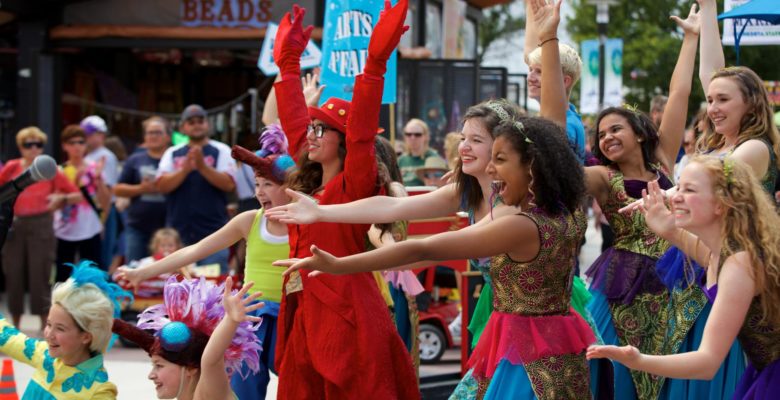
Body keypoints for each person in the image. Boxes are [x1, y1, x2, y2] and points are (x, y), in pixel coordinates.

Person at [278, 116, 595, 399]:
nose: (472, 154)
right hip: (549, 342)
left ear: (532, 165)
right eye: (463, 138)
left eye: (493, 154)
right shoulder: (564, 213)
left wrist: (338, 264)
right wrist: (321, 212)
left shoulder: (518, 222)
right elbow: (397, 212)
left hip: (525, 347)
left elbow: (425, 249)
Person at [534, 1, 698, 398]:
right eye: (601, 135)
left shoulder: (664, 163)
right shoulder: (602, 178)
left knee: (674, 376)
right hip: (625, 288)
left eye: (615, 129)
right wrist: (548, 39)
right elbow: (553, 131)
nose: (606, 138)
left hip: (678, 281)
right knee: (619, 378)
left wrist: (691, 38)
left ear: (640, 133)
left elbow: (679, 93)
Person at [270, 3, 419, 398]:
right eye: (313, 127)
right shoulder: (311, 186)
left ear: (342, 139)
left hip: (346, 311)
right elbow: (295, 126)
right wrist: (287, 67)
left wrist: (374, 66)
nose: (313, 135)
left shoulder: (354, 185)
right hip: (304, 307)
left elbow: (361, 136)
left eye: (324, 129)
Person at [117, 127, 294, 400]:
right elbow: (196, 250)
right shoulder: (249, 220)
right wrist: (142, 272)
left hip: (292, 315)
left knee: (300, 386)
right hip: (249, 319)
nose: (260, 192)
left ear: (290, 184)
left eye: (268, 184)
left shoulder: (305, 221)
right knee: (244, 391)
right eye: (257, 184)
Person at [588, 156, 780, 400]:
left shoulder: (739, 264)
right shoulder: (722, 252)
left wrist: (638, 360)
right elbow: (687, 241)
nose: (675, 195)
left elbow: (707, 363)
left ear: (722, 203)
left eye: (688, 190)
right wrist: (666, 221)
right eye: (678, 186)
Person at [113, 276, 262, 400]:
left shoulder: (209, 394)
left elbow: (210, 360)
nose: (151, 375)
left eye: (159, 365)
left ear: (191, 368)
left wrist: (230, 320)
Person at [0, 261, 131, 399]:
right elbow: (7, 337)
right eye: (49, 324)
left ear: (86, 336)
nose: (49, 335)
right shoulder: (44, 355)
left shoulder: (99, 392)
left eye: (60, 329)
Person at [0, 127, 82, 331]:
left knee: (41, 274)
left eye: (38, 144)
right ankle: (15, 326)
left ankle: (45, 326)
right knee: (14, 273)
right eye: (29, 144)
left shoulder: (48, 168)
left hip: (41, 224)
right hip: (15, 223)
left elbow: (76, 195)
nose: (34, 149)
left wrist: (61, 198)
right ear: (20, 147)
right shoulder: (12, 167)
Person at [156, 104, 236, 273]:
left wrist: (202, 167)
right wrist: (185, 170)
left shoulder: (221, 150)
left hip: (214, 234)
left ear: (208, 124)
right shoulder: (173, 152)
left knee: (214, 289)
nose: (196, 124)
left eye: (200, 120)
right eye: (191, 122)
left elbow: (229, 184)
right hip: (178, 236)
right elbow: (162, 186)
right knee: (178, 290)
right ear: (183, 127)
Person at [523, 0, 586, 163]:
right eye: (531, 70)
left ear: (564, 81)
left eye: (539, 72)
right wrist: (532, 11)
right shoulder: (570, 114)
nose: (530, 77)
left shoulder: (568, 125)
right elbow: (530, 55)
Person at [55, 125, 112, 282]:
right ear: (65, 145)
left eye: (81, 142)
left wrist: (98, 179)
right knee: (63, 274)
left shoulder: (94, 168)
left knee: (93, 274)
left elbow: (106, 200)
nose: (77, 147)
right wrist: (75, 181)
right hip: (64, 230)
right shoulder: (60, 170)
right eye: (72, 143)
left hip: (91, 228)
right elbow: (57, 202)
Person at [114, 116, 171, 262]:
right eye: (149, 133)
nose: (153, 136)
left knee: (169, 275)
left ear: (167, 136)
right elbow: (118, 189)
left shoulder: (174, 158)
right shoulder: (135, 159)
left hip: (169, 229)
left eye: (157, 132)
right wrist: (141, 188)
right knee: (134, 271)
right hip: (138, 227)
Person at [81, 116, 121, 269]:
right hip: (91, 212)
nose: (86, 137)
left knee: (102, 258)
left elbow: (108, 191)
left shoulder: (105, 156)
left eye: (90, 133)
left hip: (103, 211)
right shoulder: (90, 156)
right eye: (85, 134)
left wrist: (102, 219)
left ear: (102, 135)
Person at [398, 118, 447, 186]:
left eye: (417, 134)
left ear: (426, 136)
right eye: (408, 134)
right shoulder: (400, 160)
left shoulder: (433, 157)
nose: (412, 138)